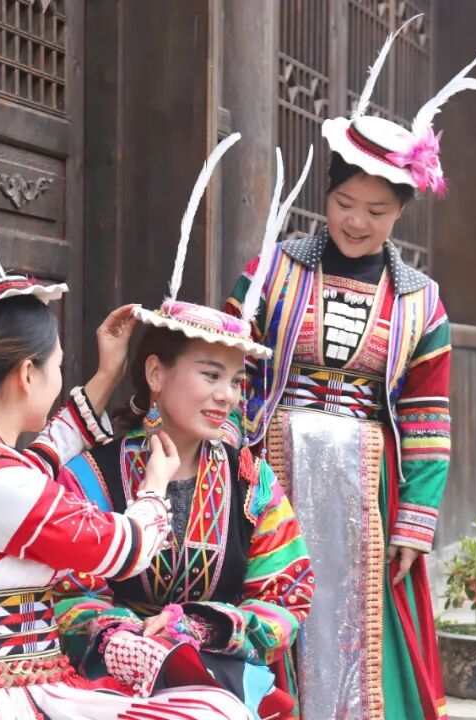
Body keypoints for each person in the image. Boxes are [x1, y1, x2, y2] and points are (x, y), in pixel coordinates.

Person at [0, 204, 252, 720]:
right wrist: (155, 487)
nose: (59, 379)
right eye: (57, 366)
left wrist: (106, 374)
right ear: (26, 374)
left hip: (18, 692)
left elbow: (47, 453)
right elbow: (124, 548)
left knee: (213, 707)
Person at [223, 19, 476, 720]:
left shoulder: (421, 303)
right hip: (270, 474)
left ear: (401, 211)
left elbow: (427, 422)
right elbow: (224, 366)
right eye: (344, 203)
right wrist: (226, 462)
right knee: (269, 600)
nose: (356, 221)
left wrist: (414, 525)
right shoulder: (272, 271)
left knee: (366, 624)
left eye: (376, 210)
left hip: (369, 492)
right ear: (326, 196)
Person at [53, 137, 315, 720]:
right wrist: (120, 638)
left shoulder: (252, 485)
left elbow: (287, 594)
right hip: (108, 683)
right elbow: (65, 589)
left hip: (221, 681)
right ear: (156, 372)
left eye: (236, 381)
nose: (227, 396)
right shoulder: (93, 477)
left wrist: (198, 627)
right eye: (209, 375)